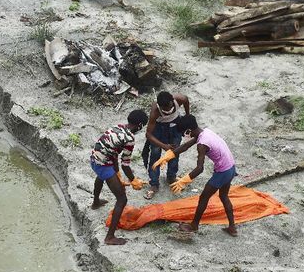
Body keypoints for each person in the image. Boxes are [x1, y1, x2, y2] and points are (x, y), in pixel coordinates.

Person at [152, 114, 237, 237]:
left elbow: (200, 168)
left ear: (189, 130)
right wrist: (168, 156)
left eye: (184, 133)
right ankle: (232, 227)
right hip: (230, 167)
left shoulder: (202, 144)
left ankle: (194, 225)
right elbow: (185, 146)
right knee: (224, 196)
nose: (184, 136)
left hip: (222, 172)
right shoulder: (204, 132)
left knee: (204, 197)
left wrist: (184, 180)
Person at [90, 110, 148, 245]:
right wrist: (133, 180)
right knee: (122, 199)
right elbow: (126, 164)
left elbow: (114, 152)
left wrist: (116, 173)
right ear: (139, 125)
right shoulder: (130, 139)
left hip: (94, 158)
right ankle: (109, 237)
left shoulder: (118, 127)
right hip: (103, 164)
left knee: (100, 177)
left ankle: (96, 202)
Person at [144, 91, 190, 200]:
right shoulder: (155, 112)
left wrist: (187, 116)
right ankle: (154, 184)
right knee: (155, 155)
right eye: (165, 110)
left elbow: (186, 100)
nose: (168, 111)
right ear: (159, 107)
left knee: (175, 152)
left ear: (172, 102)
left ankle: (171, 177)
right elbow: (148, 134)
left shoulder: (180, 98)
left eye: (170, 108)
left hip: (175, 126)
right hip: (158, 129)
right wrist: (163, 146)